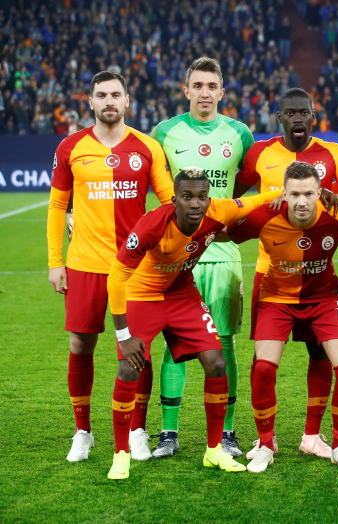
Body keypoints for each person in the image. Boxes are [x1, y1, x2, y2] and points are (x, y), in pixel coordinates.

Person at [105, 168, 278, 480]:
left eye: (201, 196)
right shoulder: (152, 224)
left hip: (182, 294)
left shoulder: (218, 210)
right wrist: (124, 335)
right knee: (129, 368)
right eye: (187, 196)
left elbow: (257, 200)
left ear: (209, 199)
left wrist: (286, 194)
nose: (195, 203)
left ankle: (214, 451)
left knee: (216, 363)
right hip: (143, 295)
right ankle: (121, 454)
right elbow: (116, 277)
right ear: (175, 200)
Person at [235, 88, 338, 461]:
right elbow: (233, 200)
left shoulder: (335, 154)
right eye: (290, 112)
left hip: (316, 277)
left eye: (304, 112)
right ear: (280, 117)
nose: (298, 118)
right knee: (263, 362)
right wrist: (265, 204)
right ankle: (265, 439)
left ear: (313, 116)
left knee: (320, 352)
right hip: (270, 273)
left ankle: (313, 436)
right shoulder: (259, 153)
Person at [46, 70, 174, 463]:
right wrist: (55, 262)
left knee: (137, 350)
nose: (109, 102)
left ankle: (136, 429)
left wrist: (174, 252)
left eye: (115, 95)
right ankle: (82, 432)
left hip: (135, 268)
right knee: (80, 345)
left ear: (127, 100)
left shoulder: (148, 147)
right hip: (84, 263)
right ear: (91, 102)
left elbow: (170, 203)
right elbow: (57, 206)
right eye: (101, 95)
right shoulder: (71, 147)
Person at [150, 57, 255, 458]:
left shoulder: (239, 133)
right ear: (186, 90)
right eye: (198, 85)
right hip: (177, 254)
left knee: (225, 342)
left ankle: (227, 432)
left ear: (222, 92)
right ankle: (168, 433)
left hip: (223, 252)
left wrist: (226, 217)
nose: (205, 92)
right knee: (174, 343)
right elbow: (152, 181)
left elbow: (248, 184)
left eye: (212, 86)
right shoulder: (165, 132)